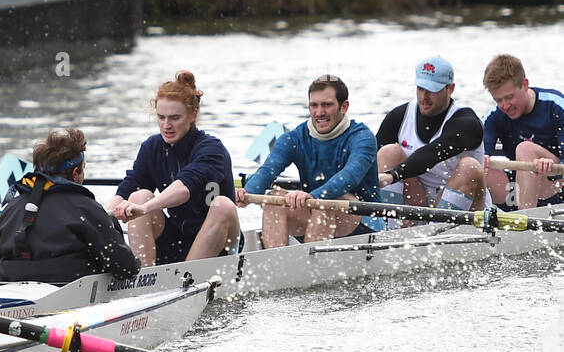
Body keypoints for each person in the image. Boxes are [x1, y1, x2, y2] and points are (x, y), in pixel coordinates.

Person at [106, 71, 240, 264]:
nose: (166, 125)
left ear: (193, 115)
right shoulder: (151, 147)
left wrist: (143, 209)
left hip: (221, 246)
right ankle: (143, 279)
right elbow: (126, 191)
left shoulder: (212, 149)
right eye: (161, 117)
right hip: (177, 240)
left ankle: (188, 276)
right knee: (138, 195)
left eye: (174, 118)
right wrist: (92, 219)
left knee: (223, 205)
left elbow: (184, 189)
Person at [238, 74, 383, 247]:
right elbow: (268, 170)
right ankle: (278, 266)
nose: (319, 113)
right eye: (314, 105)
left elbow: (350, 176)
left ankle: (310, 269)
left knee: (325, 204)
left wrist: (313, 196)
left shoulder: (363, 138)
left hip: (365, 222)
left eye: (327, 105)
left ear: (344, 107)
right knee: (273, 200)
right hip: (315, 214)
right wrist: (246, 192)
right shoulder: (293, 138)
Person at [0, 128, 140, 283]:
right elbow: (125, 268)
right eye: (84, 169)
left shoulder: (13, 207)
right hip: (68, 287)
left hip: (13, 286)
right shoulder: (86, 208)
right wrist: (111, 222)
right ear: (75, 172)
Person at [375, 56, 486, 218]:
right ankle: (389, 228)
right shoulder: (399, 116)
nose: (423, 97)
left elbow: (433, 153)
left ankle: (439, 231)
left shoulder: (467, 123)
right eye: (420, 88)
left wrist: (393, 175)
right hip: (417, 202)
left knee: (469, 166)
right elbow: (369, 159)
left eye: (432, 90)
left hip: (466, 203)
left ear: (451, 89)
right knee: (388, 152)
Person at [481, 53, 564, 210]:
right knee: (472, 164)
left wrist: (551, 165)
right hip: (517, 190)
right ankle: (440, 223)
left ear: (525, 84)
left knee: (525, 148)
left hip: (556, 186)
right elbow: (479, 144)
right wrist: (481, 157)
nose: (505, 106)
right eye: (498, 100)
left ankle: (525, 222)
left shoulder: (556, 106)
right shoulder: (494, 116)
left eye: (509, 97)